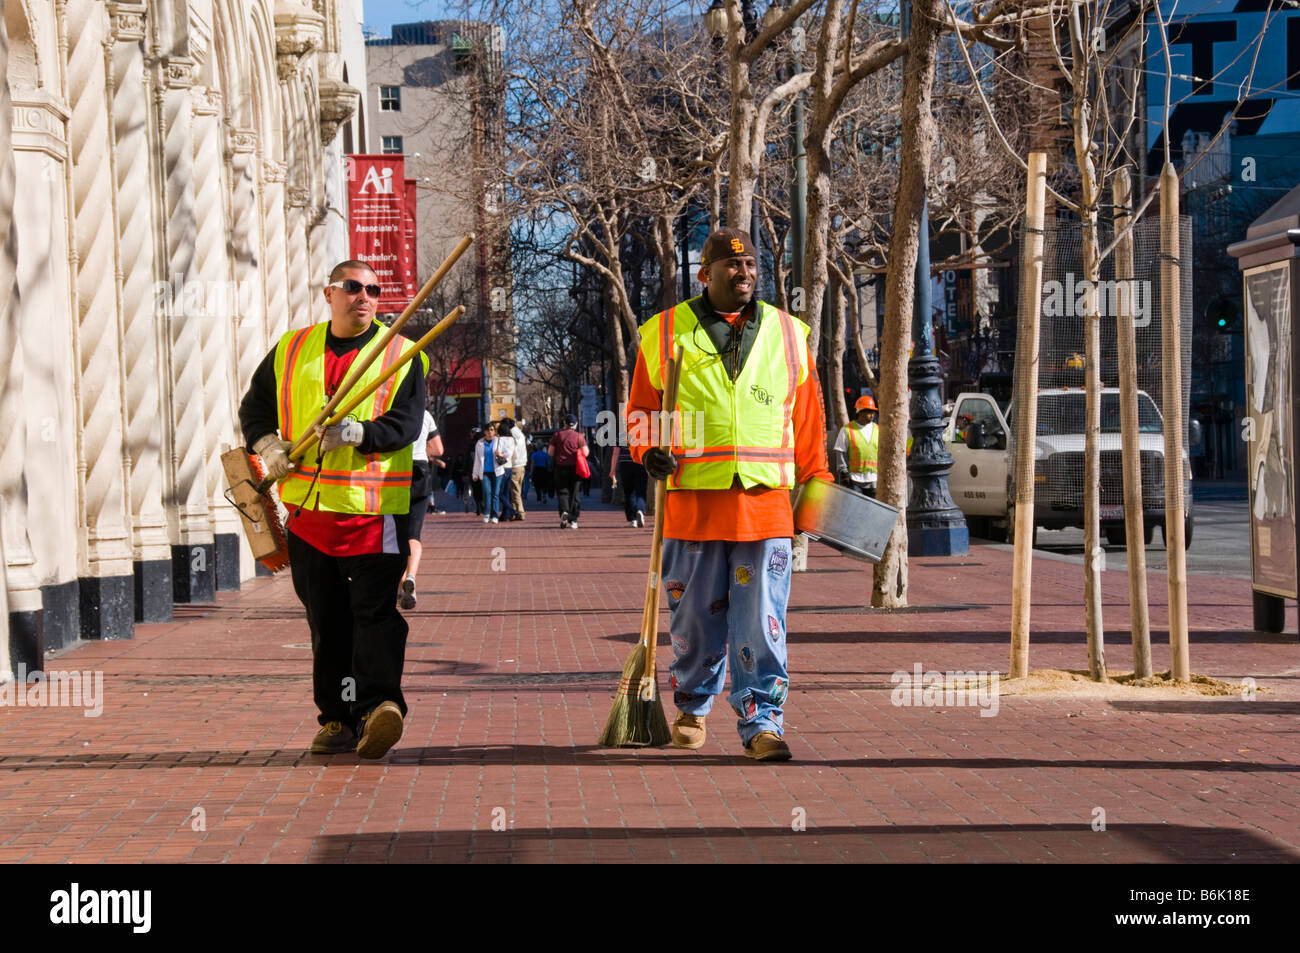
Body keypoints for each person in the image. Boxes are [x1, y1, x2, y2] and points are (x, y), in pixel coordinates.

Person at [625, 227, 832, 762]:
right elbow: (643, 412)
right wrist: (649, 452)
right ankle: (692, 705)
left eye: (751, 266)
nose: (744, 274)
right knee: (693, 618)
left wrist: (817, 486)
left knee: (761, 620)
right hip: (692, 502)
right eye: (732, 267)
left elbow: (807, 421)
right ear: (705, 273)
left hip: (765, 506)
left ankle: (762, 721)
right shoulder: (662, 331)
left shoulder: (789, 334)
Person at [238, 259, 426, 760]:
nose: (364, 296)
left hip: (373, 514)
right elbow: (253, 410)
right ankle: (337, 718)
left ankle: (380, 707)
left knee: (375, 616)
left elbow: (407, 425)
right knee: (326, 621)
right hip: (307, 516)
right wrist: (268, 445)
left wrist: (361, 433)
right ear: (329, 294)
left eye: (373, 289)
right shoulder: (290, 349)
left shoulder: (403, 354)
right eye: (352, 287)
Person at [399, 406, 443, 610]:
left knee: (394, 534)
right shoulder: (425, 415)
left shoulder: (392, 409)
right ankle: (411, 577)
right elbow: (439, 449)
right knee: (413, 534)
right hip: (420, 472)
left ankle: (402, 586)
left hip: (395, 472)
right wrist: (425, 451)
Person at [832, 394, 879, 497]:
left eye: (873, 412)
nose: (872, 415)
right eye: (869, 412)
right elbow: (840, 451)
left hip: (874, 480)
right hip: (855, 480)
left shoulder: (878, 429)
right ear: (860, 412)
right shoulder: (847, 430)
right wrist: (843, 472)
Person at [548, 414, 589, 529]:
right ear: (575, 424)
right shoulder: (579, 437)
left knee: (562, 492)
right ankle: (574, 519)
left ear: (564, 423)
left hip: (560, 467)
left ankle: (564, 512)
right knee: (575, 494)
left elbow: (550, 452)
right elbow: (586, 453)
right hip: (576, 468)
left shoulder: (557, 435)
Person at [472, 422, 506, 522]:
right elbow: (477, 460)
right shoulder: (480, 443)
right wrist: (475, 474)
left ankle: (495, 515)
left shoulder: (499, 441)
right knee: (487, 493)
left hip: (498, 472)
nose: (490, 432)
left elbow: (507, 453)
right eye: (488, 430)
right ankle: (487, 513)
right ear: (484, 432)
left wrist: (500, 454)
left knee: (495, 494)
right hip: (485, 472)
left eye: (492, 430)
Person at [609, 444, 647, 527]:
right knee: (641, 490)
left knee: (628, 491)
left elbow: (615, 452)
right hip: (641, 463)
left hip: (625, 464)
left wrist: (612, 470)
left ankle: (632, 519)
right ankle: (640, 510)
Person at [501, 416, 528, 521]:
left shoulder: (511, 436)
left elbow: (511, 451)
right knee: (517, 490)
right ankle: (514, 512)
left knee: (515, 491)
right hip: (522, 465)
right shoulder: (520, 434)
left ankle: (520, 512)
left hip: (514, 465)